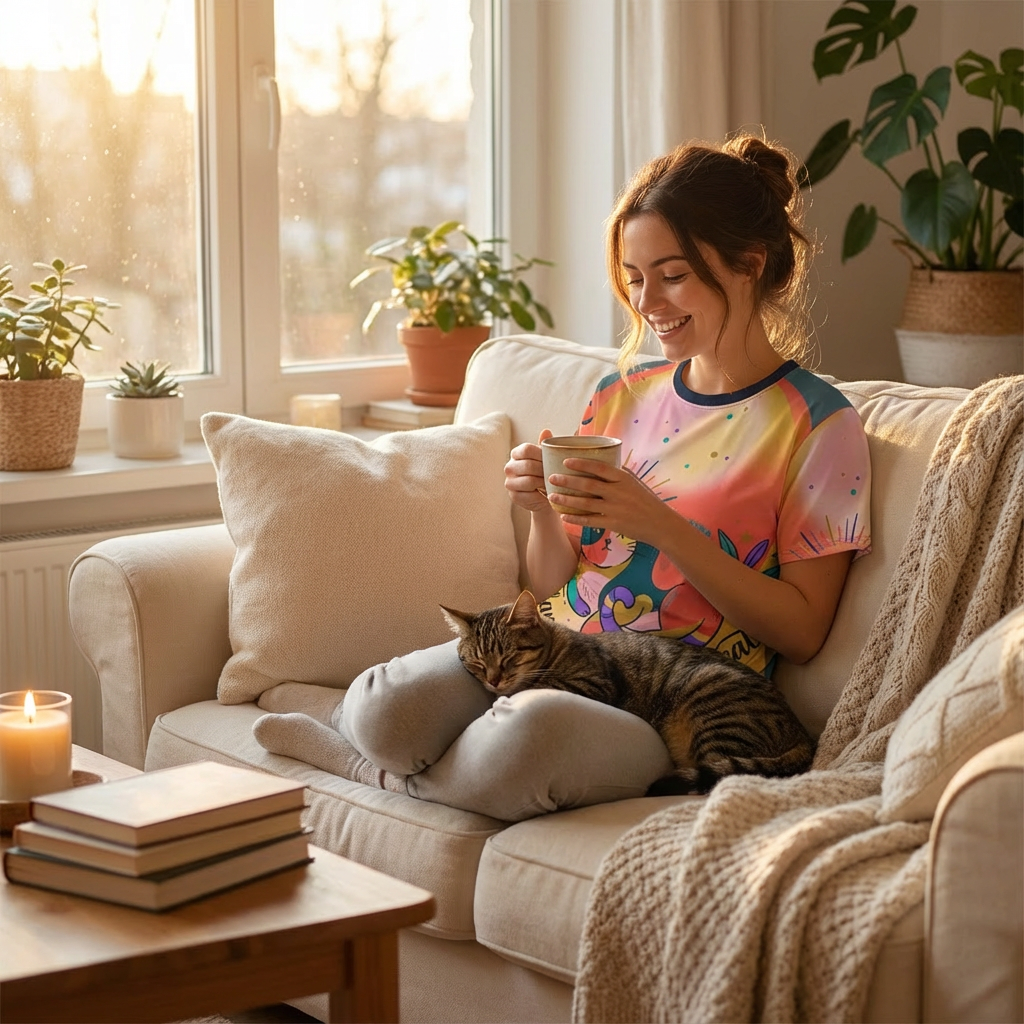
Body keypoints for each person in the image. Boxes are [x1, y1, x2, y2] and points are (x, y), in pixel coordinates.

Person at [256, 134, 872, 822]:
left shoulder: (820, 424)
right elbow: (551, 584)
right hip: (549, 648)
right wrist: (541, 509)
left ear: (748, 266)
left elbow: (803, 632)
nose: (648, 302)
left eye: (672, 275)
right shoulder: (620, 395)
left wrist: (659, 524)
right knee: (386, 706)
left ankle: (361, 765)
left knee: (524, 741)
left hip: (665, 700)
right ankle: (378, 745)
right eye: (634, 278)